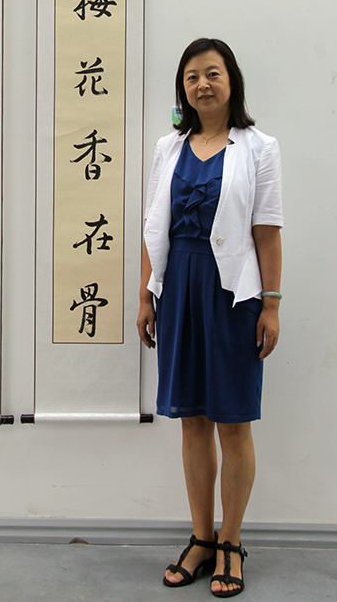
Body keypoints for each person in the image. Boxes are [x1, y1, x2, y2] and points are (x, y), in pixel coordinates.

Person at [137, 38, 283, 597]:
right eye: (192, 76)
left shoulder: (259, 147)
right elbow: (154, 227)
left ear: (231, 81)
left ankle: (231, 542)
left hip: (233, 295)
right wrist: (146, 296)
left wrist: (272, 304)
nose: (202, 84)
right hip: (178, 288)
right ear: (183, 88)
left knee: (232, 420)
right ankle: (200, 538)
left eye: (213, 74)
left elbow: (267, 230)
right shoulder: (168, 148)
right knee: (193, 420)